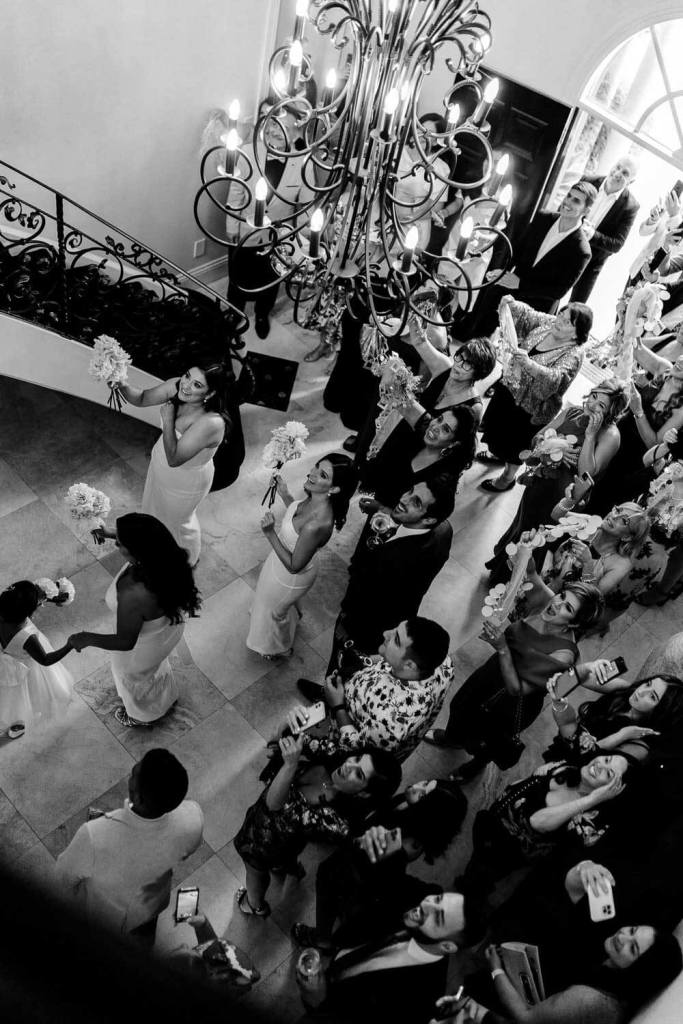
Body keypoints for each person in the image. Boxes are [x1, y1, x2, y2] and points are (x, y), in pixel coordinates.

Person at [425, 583, 604, 782]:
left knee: (486, 740)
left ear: (574, 624)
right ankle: (453, 739)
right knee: (460, 706)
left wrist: (501, 647)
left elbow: (517, 689)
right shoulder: (547, 606)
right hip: (492, 674)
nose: (557, 603)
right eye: (562, 595)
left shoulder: (563, 655)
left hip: (511, 702)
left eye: (568, 608)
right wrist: (523, 560)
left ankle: (475, 766)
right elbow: (531, 574)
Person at [233, 730, 400, 917]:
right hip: (285, 841)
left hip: (263, 843)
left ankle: (254, 905)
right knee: (283, 859)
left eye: (359, 775)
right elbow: (286, 738)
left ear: (365, 793)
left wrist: (290, 765)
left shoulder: (335, 821)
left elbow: (273, 805)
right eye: (358, 758)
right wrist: (292, 725)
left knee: (255, 873)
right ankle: (285, 867)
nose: (348, 765)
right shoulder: (333, 754)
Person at [293, 778, 467, 951]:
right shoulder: (409, 805)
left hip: (352, 874)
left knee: (329, 893)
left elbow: (371, 870)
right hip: (354, 866)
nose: (416, 786)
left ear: (429, 816)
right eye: (425, 783)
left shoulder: (403, 844)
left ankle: (322, 939)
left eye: (423, 794)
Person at [56, 749, 203, 946]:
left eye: (135, 772)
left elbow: (62, 876)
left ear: (139, 798)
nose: (132, 770)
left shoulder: (94, 835)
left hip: (106, 919)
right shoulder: (193, 819)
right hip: (152, 905)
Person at [486, 380, 629, 582]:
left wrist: (589, 436)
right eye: (594, 396)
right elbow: (536, 439)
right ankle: (501, 569)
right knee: (522, 526)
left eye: (602, 405)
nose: (592, 404)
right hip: (540, 484)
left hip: (562, 499)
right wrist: (552, 446)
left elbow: (587, 473)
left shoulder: (611, 435)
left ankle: (515, 583)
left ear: (611, 413)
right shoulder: (572, 413)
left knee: (537, 540)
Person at [68, 513, 201, 728]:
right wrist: (111, 534)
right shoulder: (167, 557)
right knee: (153, 670)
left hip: (140, 648)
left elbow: (125, 642)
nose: (116, 544)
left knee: (133, 679)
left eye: (120, 542)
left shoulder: (134, 592)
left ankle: (141, 716)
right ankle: (163, 696)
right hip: (167, 629)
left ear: (137, 549)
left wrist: (87, 638)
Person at [472, 896, 682, 1024]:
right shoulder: (613, 976)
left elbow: (525, 1017)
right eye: (633, 930)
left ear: (639, 972)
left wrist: (495, 968)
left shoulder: (592, 1001)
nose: (622, 937)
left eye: (633, 947)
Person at [295, 888, 479, 1024]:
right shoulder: (410, 909)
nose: (425, 904)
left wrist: (319, 1003)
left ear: (447, 945)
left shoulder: (420, 999)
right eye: (438, 899)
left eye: (437, 917)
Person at [328, 477, 456, 664]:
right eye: (410, 490)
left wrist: (345, 624)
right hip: (396, 615)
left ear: (429, 518)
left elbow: (362, 591)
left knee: (343, 663)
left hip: (366, 625)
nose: (404, 499)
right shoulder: (443, 530)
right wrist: (384, 509)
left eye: (416, 502)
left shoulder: (395, 559)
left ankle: (329, 689)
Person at [461, 752, 634, 891]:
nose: (600, 765)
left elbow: (537, 821)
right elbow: (569, 723)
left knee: (479, 876)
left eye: (609, 773)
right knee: (477, 856)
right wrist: (625, 733)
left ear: (611, 792)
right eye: (606, 759)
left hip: (505, 851)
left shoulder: (584, 821)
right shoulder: (573, 765)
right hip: (495, 817)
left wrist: (591, 800)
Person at [118, 362, 232, 565]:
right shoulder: (177, 386)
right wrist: (120, 382)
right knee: (152, 510)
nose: (186, 385)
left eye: (197, 385)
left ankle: (183, 559)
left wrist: (168, 420)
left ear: (211, 393)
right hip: (160, 462)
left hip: (185, 480)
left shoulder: (212, 422)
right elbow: (142, 398)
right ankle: (149, 549)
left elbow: (175, 459)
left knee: (175, 523)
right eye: (187, 375)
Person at [295, 617, 453, 761]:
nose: (386, 634)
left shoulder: (389, 724)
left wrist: (338, 706)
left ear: (410, 665)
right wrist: (370, 661)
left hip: (346, 729)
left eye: (396, 639)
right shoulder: (443, 663)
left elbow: (355, 747)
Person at [478, 295, 593, 492]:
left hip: (530, 409)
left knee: (514, 445)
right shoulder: (549, 323)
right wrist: (512, 303)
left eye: (567, 323)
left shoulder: (573, 354)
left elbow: (555, 378)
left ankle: (507, 477)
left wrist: (529, 364)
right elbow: (528, 314)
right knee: (497, 429)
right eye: (561, 315)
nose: (559, 322)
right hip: (510, 388)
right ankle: (497, 455)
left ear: (576, 333)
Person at [246, 453, 356, 659]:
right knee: (267, 603)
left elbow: (294, 566)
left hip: (290, 574)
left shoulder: (317, 525)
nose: (312, 474)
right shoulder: (316, 499)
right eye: (316, 467)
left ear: (333, 489)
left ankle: (278, 646)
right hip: (281, 561)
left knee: (272, 612)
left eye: (322, 475)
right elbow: (296, 517)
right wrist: (285, 494)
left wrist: (270, 533)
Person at [226, 102, 312, 339]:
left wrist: (301, 239)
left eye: (281, 126)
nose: (273, 130)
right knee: (238, 277)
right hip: (245, 230)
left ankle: (263, 313)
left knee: (271, 278)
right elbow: (236, 191)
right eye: (272, 123)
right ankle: (235, 312)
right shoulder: (248, 150)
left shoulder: (304, 161)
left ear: (296, 131)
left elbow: (304, 203)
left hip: (278, 236)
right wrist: (231, 226)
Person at [466, 180, 597, 336]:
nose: (568, 201)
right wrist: (502, 272)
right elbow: (519, 248)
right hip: (506, 293)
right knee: (479, 336)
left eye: (576, 201)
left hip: (534, 310)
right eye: (569, 196)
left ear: (586, 210)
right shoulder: (543, 217)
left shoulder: (581, 250)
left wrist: (520, 284)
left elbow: (558, 291)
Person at [588, 341, 683, 515]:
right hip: (612, 437)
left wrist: (638, 410)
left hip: (631, 460)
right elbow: (632, 345)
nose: (681, 360)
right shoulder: (665, 369)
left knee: (597, 504)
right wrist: (630, 318)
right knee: (583, 481)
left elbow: (654, 444)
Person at [546, 670, 683, 765]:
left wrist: (621, 736)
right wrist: (589, 668)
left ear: (661, 711)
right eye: (648, 684)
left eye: (652, 696)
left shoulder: (640, 744)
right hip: (563, 745)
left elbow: (586, 762)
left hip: (574, 773)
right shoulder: (626, 691)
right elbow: (581, 678)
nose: (641, 692)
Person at [360, 404, 477, 506]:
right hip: (378, 502)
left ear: (454, 443)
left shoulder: (442, 477)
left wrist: (382, 509)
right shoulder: (415, 437)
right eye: (439, 419)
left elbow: (419, 516)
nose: (435, 427)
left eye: (445, 429)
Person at [0, 580, 73, 737]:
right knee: (28, 698)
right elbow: (45, 659)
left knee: (9, 700)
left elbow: (21, 596)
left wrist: (49, 596)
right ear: (28, 610)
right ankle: (20, 722)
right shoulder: (27, 637)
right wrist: (69, 645)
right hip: (27, 668)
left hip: (6, 658)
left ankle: (14, 721)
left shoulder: (4, 612)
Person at [569, 158, 640, 303]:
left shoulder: (630, 206)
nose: (618, 173)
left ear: (631, 181)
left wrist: (592, 235)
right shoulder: (588, 181)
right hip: (566, 247)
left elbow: (617, 244)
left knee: (576, 309)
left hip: (592, 262)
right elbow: (564, 209)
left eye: (625, 173)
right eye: (617, 166)